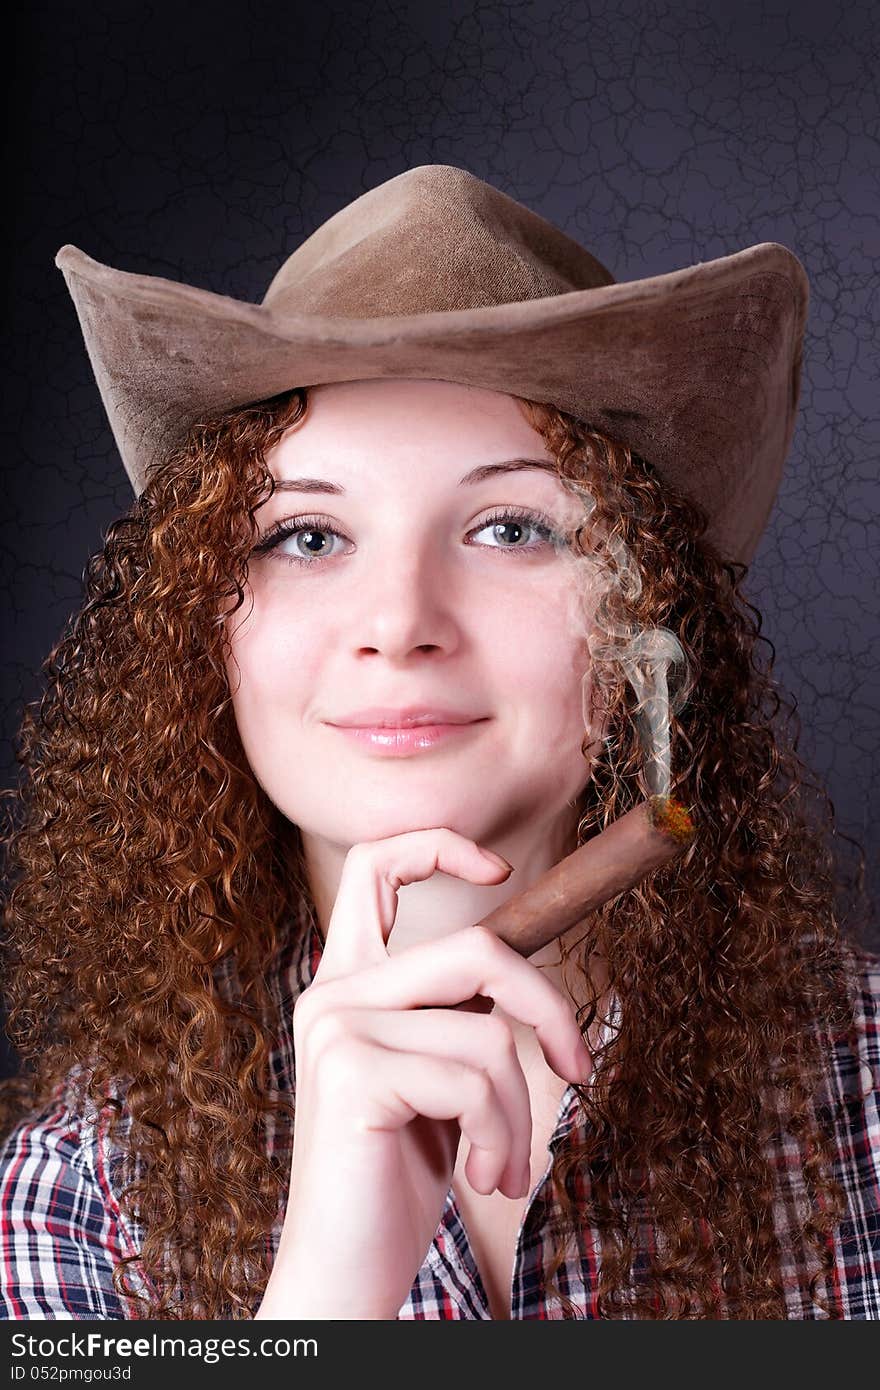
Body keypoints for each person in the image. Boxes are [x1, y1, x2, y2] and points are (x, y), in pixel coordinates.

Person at [0, 165, 877, 1321]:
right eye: (306, 535)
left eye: (510, 527)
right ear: (201, 631)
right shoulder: (76, 1201)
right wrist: (327, 1294)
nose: (398, 622)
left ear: (640, 633)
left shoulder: (861, 1097)